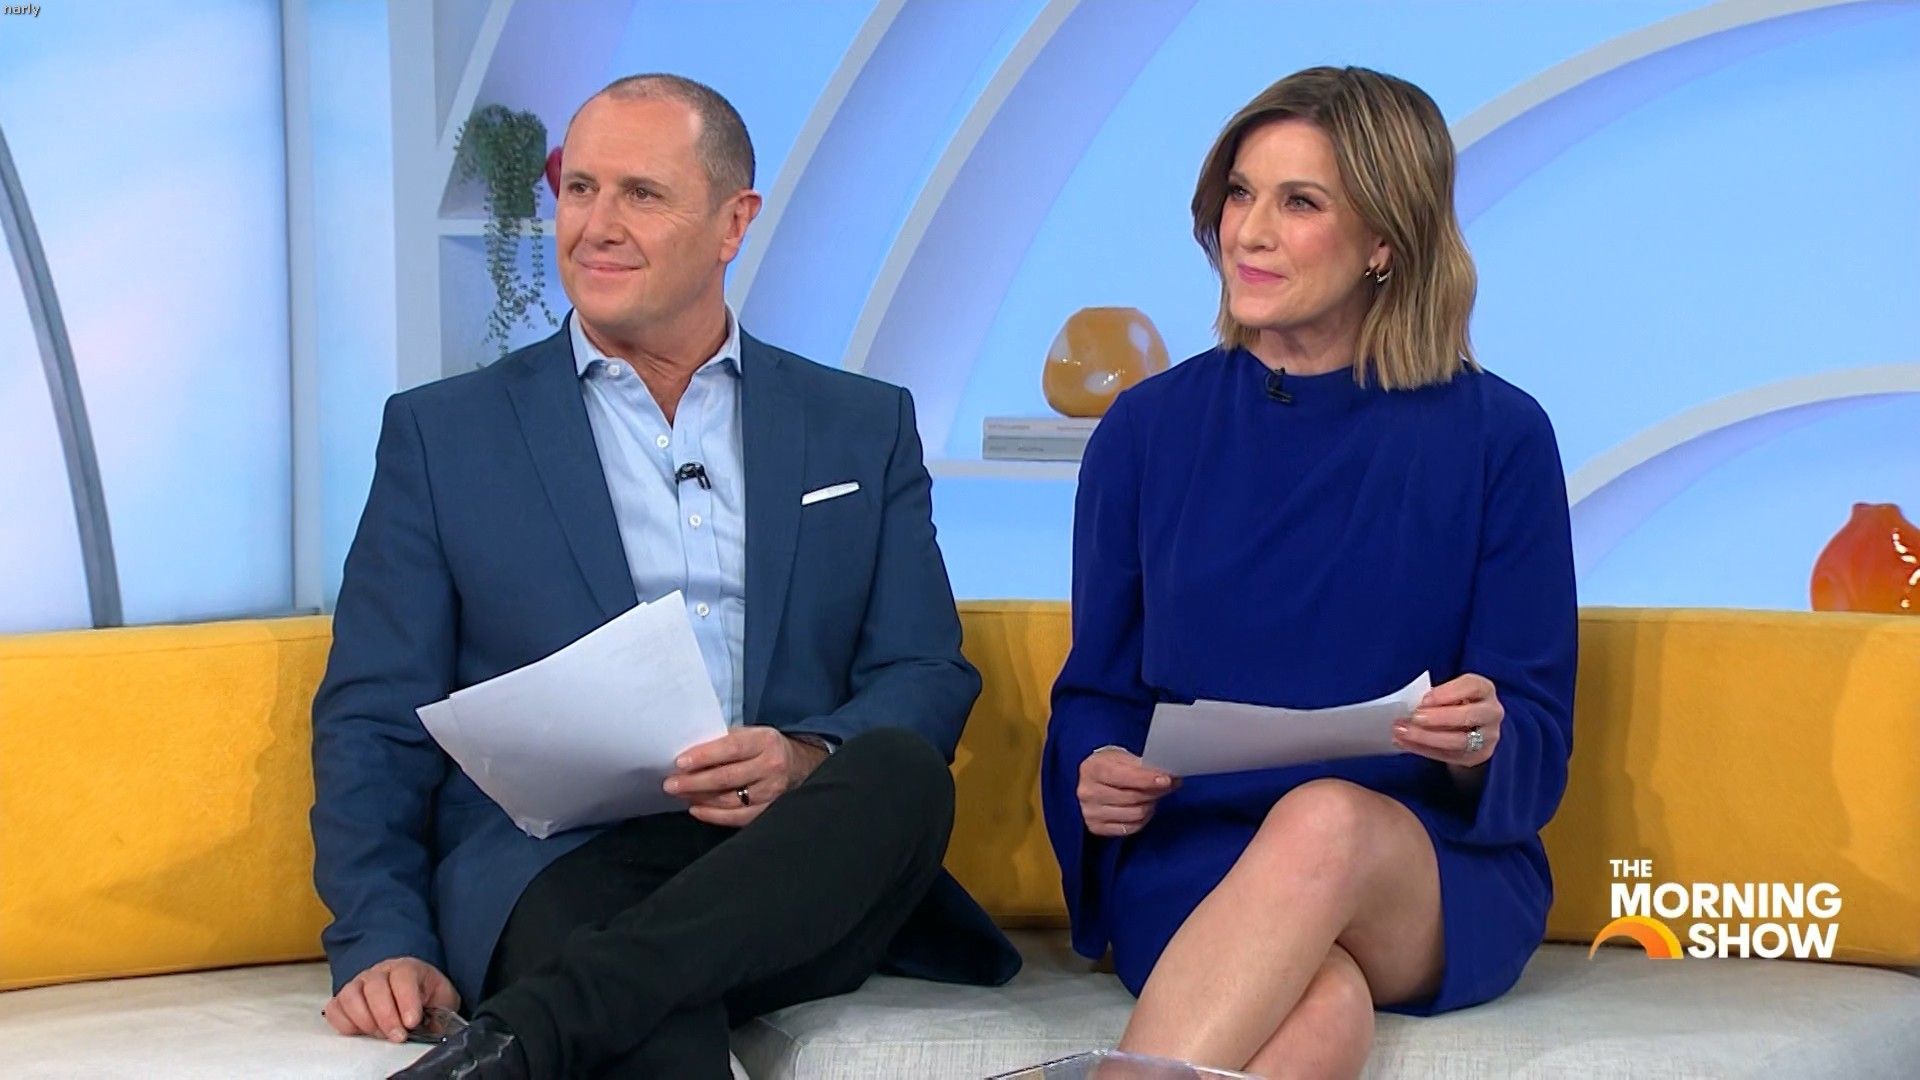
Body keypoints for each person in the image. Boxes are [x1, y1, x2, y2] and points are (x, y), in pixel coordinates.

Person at [311, 73, 1018, 1080]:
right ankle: (552, 1026)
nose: (595, 226)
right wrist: (382, 935)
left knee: (899, 772)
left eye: (641, 194)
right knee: (646, 1022)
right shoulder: (444, 436)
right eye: (580, 188)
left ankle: (524, 1037)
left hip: (794, 857)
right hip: (560, 864)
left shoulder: (859, 424)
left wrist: (803, 758)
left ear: (734, 222)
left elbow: (925, 670)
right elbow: (375, 716)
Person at [1041, 66, 1577, 1079]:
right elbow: (1097, 695)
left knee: (1323, 819)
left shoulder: (1499, 436)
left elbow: (1536, 725)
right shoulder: (1145, 432)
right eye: (1240, 194)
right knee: (1319, 1008)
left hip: (1420, 861)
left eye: (1299, 203)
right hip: (1199, 853)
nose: (1249, 233)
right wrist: (1097, 767)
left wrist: (1478, 739)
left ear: (1385, 242)